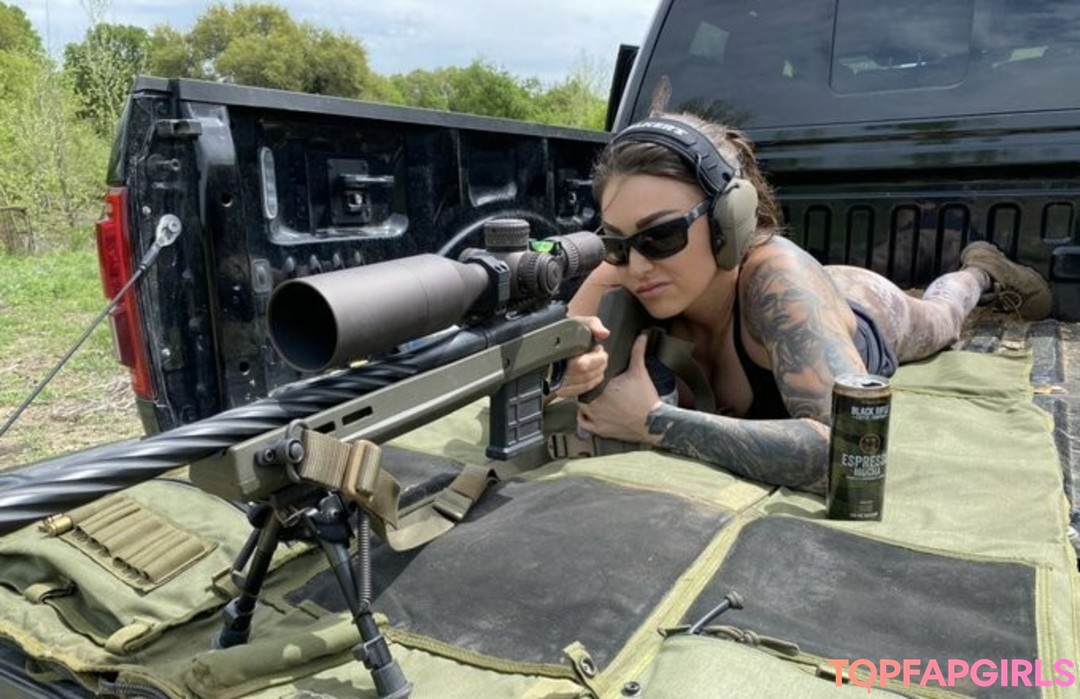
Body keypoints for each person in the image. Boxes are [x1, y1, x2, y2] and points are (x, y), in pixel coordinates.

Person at [553, 112, 1052, 494]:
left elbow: (850, 454)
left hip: (861, 305)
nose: (637, 265)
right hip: (802, 302)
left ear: (730, 220)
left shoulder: (779, 280)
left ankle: (980, 272)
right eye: (615, 243)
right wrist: (561, 378)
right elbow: (550, 370)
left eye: (661, 235)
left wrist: (656, 423)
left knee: (942, 318)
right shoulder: (622, 271)